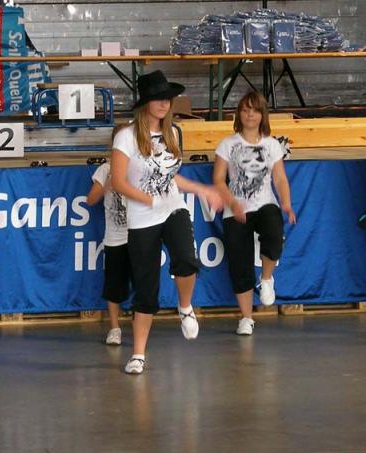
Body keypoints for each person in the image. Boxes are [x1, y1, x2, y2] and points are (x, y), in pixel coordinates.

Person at [110, 70, 223, 374]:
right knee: (146, 288)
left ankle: (185, 307)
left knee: (186, 259)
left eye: (168, 99)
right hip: (142, 218)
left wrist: (200, 189)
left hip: (173, 208)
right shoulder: (126, 137)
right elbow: (118, 181)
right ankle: (138, 354)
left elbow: (171, 177)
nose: (164, 103)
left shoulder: (173, 133)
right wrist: (148, 200)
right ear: (145, 102)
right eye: (158, 98)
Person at [212, 91, 295, 336]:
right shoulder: (227, 144)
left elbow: (280, 178)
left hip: (264, 204)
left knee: (274, 232)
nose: (250, 115)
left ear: (262, 115)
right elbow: (218, 179)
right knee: (240, 263)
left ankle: (267, 279)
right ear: (239, 113)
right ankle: (246, 317)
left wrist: (286, 203)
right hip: (235, 210)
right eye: (246, 110)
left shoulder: (271, 144)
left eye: (255, 110)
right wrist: (232, 203)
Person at [87, 124, 131, 346]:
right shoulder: (106, 169)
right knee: (114, 285)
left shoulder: (140, 167)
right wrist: (108, 186)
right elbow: (90, 199)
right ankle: (115, 328)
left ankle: (141, 327)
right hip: (115, 238)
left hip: (140, 234)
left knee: (143, 284)